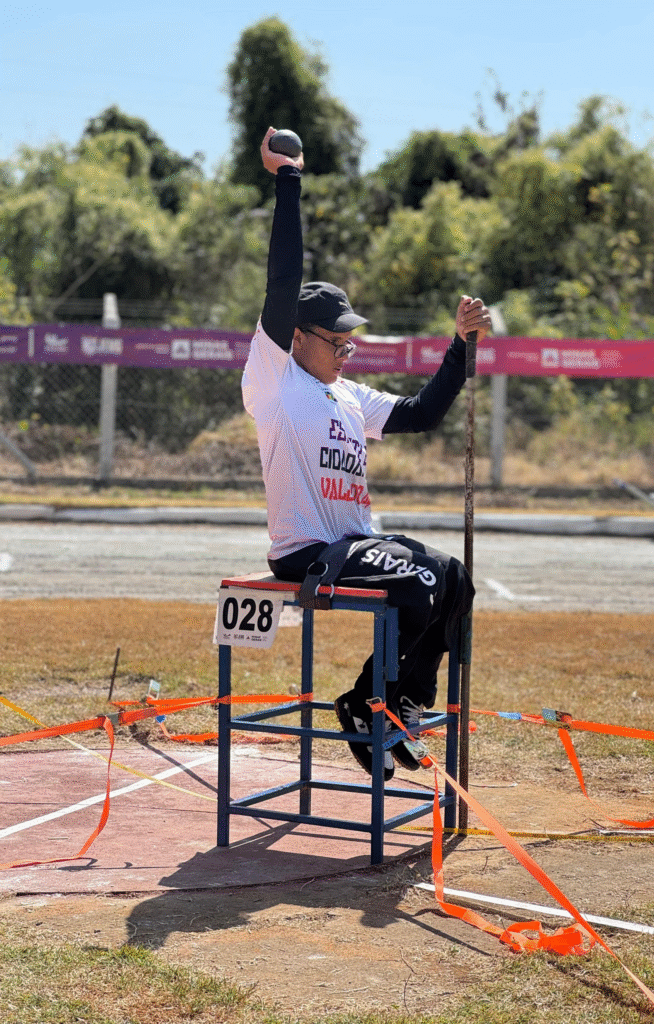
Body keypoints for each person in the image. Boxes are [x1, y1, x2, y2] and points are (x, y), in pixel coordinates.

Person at [242, 127, 492, 780]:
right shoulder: (274, 380)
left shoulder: (348, 394)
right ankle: (367, 702)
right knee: (422, 580)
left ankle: (392, 702)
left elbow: (422, 413)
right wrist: (289, 178)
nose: (346, 351)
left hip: (354, 545)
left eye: (350, 342)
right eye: (337, 341)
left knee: (457, 580)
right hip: (307, 553)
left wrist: (459, 346)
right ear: (297, 338)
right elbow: (282, 279)